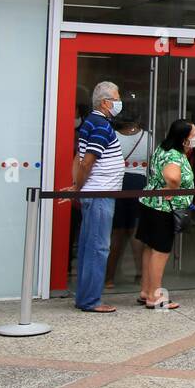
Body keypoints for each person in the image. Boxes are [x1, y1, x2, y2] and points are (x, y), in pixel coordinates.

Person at [70, 81, 125, 313]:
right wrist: (78, 187)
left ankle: (85, 296)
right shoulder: (101, 125)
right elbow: (87, 162)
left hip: (95, 192)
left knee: (88, 245)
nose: (119, 102)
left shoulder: (91, 122)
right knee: (98, 247)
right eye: (117, 97)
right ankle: (90, 300)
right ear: (105, 102)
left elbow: (79, 158)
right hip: (100, 193)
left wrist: (77, 186)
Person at [135, 119, 195, 309]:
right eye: (193, 133)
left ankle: (146, 290)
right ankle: (155, 296)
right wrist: (173, 188)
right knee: (161, 252)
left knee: (150, 248)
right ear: (184, 138)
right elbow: (172, 176)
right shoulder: (174, 156)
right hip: (164, 209)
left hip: (150, 204)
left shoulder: (163, 148)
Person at [105, 108, 149, 289]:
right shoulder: (148, 136)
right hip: (140, 184)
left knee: (116, 233)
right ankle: (140, 274)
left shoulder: (112, 136)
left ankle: (109, 277)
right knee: (136, 232)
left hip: (118, 183)